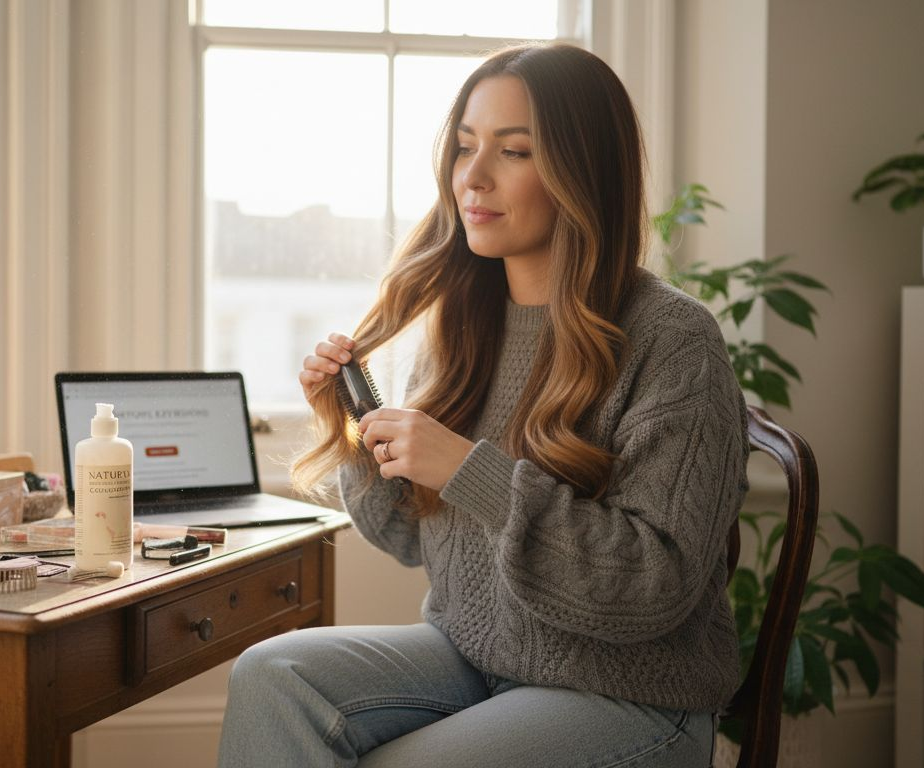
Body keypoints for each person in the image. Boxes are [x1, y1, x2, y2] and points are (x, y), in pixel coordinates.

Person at [217, 42, 748, 768]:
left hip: (628, 695)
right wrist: (349, 432)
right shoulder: (466, 323)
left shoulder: (673, 340)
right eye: (465, 147)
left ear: (583, 171)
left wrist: (471, 469)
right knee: (271, 677)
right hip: (472, 657)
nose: (474, 175)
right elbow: (413, 539)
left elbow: (655, 587)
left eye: (515, 151)